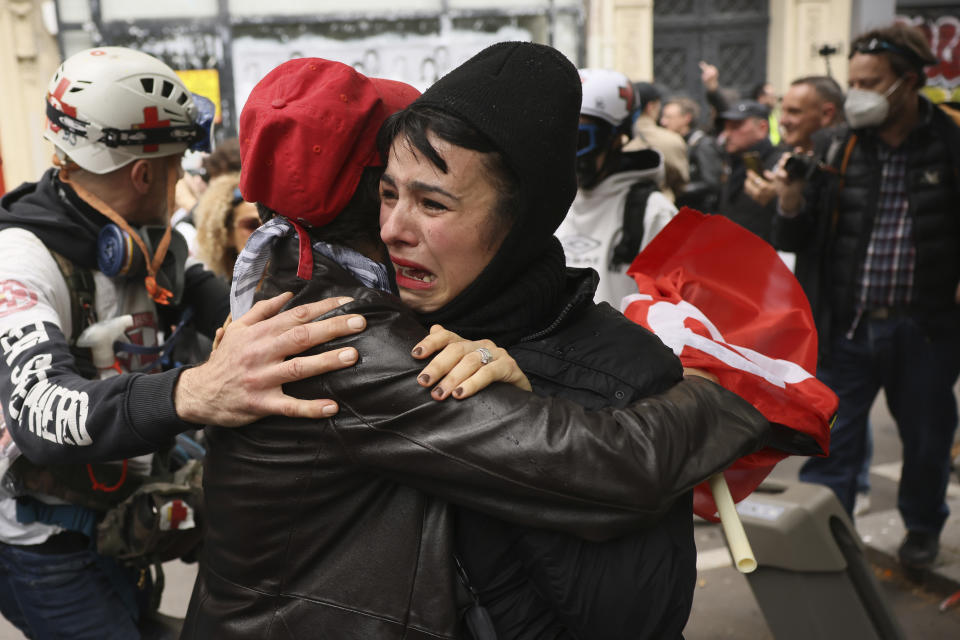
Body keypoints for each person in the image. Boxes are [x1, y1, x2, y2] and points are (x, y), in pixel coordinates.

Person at [183, 49, 787, 639]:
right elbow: (613, 466)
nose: (393, 229)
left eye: (432, 203)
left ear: (520, 215)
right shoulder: (347, 337)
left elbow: (636, 612)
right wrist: (720, 398)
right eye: (385, 195)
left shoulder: (621, 364)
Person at [0, 47, 364, 638]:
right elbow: (38, 411)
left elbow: (227, 304)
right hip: (46, 546)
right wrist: (196, 390)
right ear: (146, 172)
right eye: (176, 163)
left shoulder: (147, 245)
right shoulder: (20, 260)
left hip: (116, 519)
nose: (179, 179)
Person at [771, 23, 960, 570]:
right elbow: (793, 238)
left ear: (908, 83)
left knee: (927, 440)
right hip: (847, 328)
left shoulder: (949, 142)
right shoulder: (837, 145)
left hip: (925, 328)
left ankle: (922, 529)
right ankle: (826, 540)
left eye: (871, 82)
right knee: (832, 440)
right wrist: (789, 200)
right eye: (852, 81)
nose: (857, 93)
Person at [556, 68, 677, 308]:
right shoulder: (548, 201)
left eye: (580, 139)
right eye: (560, 138)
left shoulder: (654, 213)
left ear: (615, 139)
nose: (569, 153)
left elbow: (669, 313)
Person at [717, 99, 784, 241]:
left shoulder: (778, 164)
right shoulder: (732, 160)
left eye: (736, 127)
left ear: (762, 127)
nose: (727, 134)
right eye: (726, 127)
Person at [623, 81, 689, 201]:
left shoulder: (618, 139)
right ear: (651, 106)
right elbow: (681, 181)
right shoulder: (671, 140)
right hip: (662, 208)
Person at [660, 96, 723, 212]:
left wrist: (680, 190)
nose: (663, 122)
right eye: (663, 117)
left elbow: (712, 183)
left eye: (669, 117)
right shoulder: (674, 143)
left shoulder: (703, 145)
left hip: (700, 216)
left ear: (686, 118)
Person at [194, 172, 260, 279]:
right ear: (228, 234)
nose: (266, 233)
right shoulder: (217, 293)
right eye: (251, 225)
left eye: (272, 224)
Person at [779, 75, 844, 153]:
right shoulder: (785, 157)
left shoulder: (846, 161)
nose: (782, 121)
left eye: (794, 112)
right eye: (783, 111)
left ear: (827, 113)